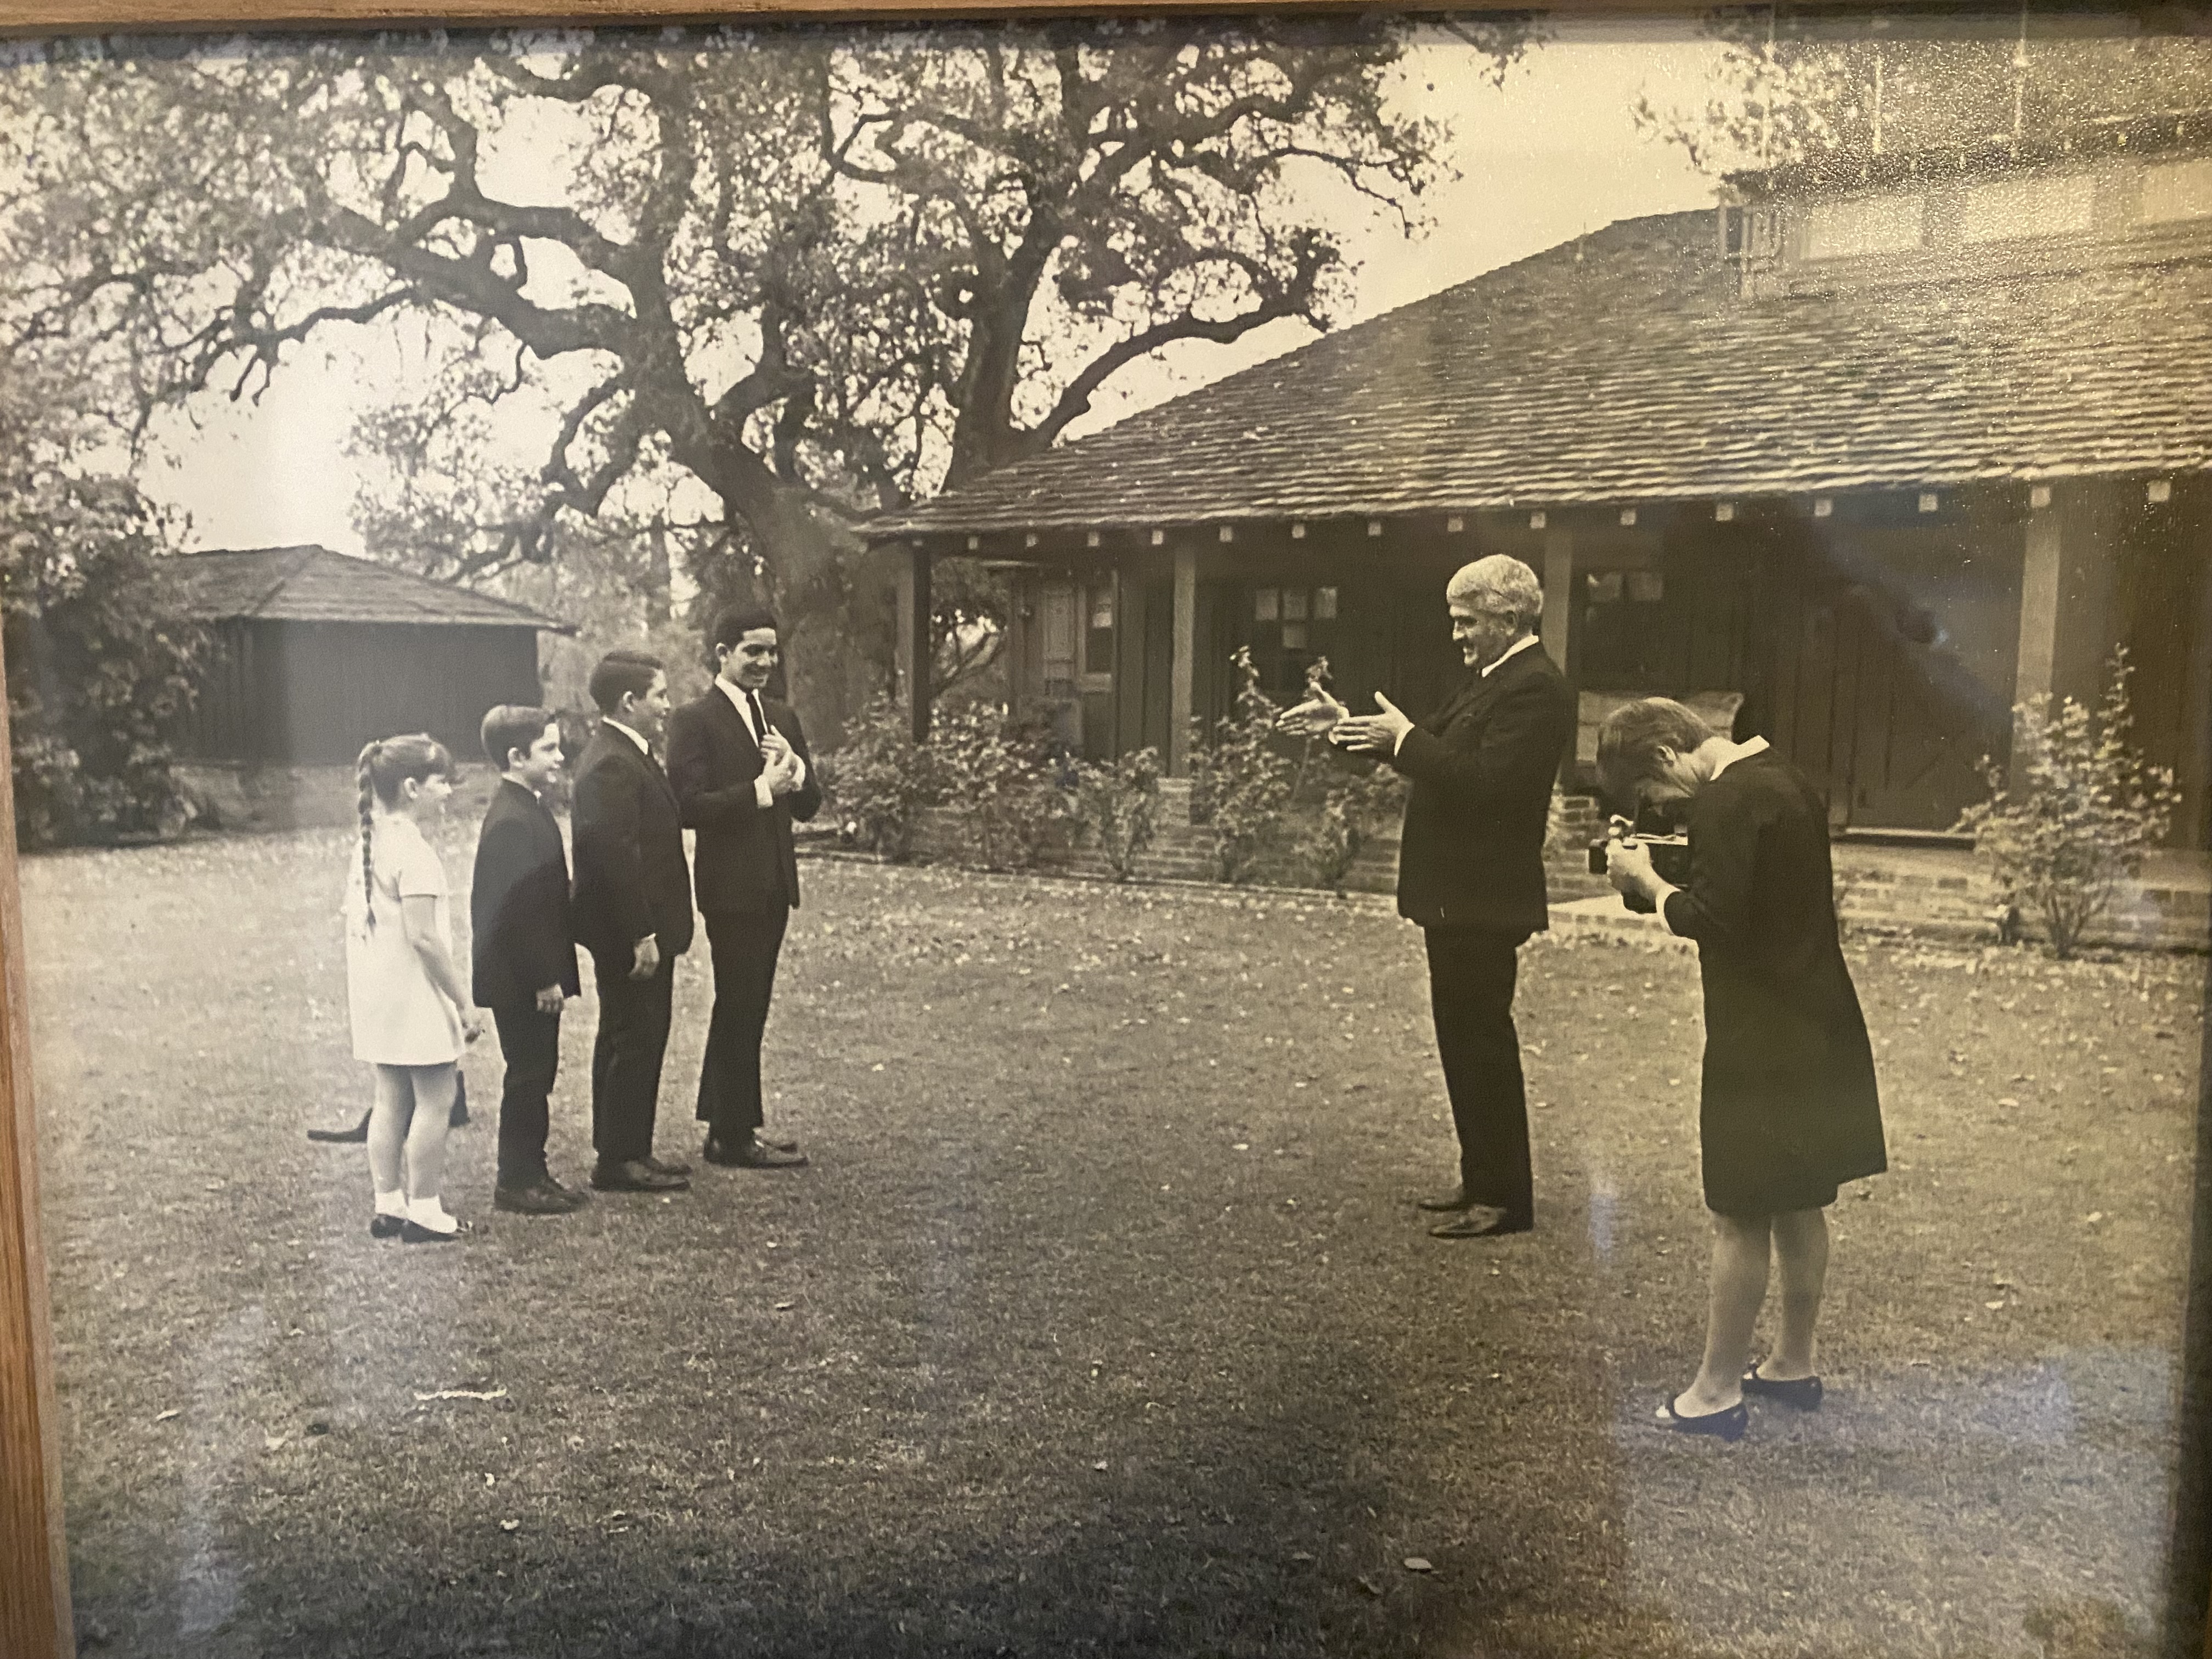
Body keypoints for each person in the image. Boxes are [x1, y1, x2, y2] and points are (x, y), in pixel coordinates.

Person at [1598, 697, 1887, 1441]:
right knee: (1799, 1200)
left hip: (1757, 1040)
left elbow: (1716, 921)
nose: (1665, 811)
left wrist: (1648, 882)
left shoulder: (1725, 801)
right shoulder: (1778, 777)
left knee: (1739, 1213)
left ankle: (1715, 1392)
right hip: (1817, 1021)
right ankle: (1792, 1365)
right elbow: (1749, 888)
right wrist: (1652, 877)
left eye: (1656, 798)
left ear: (1665, 757)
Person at [1279, 554, 1575, 1239]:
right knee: (1462, 1040)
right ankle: (1482, 1180)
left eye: (1467, 622)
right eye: (1455, 622)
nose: (1458, 636)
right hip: (1455, 897)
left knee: (1483, 1043)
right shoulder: (1491, 682)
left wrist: (1405, 737)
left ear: (1509, 618)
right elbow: (1431, 752)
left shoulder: (1536, 690)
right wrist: (1344, 725)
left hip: (1484, 899)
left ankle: (1505, 1198)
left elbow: (1484, 782)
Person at [665, 607, 822, 1169]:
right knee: (738, 1002)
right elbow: (687, 806)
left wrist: (794, 772)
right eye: (752, 651)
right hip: (730, 888)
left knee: (750, 1005)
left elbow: (808, 805)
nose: (764, 662)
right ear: (723, 654)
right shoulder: (694, 720)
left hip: (775, 884)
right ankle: (731, 1136)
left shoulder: (781, 716)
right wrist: (760, 789)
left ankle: (729, 1124)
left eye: (771, 652)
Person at [343, 733, 484, 1243]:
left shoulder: (369, 843)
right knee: (436, 1097)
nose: (448, 791)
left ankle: (388, 1203)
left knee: (391, 1096)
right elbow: (424, 938)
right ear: (410, 788)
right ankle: (424, 1208)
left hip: (380, 996)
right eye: (440, 781)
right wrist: (463, 1002)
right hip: (415, 995)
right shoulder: (415, 853)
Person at [571, 651, 694, 1194]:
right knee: (633, 1036)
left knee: (636, 1034)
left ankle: (630, 1148)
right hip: (630, 930)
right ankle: (618, 1159)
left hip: (640, 926)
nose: (667, 706)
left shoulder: (625, 753)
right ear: (630, 701)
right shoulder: (613, 763)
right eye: (660, 695)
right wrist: (641, 934)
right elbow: (614, 858)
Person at [471, 705, 586, 1216]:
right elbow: (518, 913)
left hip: (530, 970)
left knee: (539, 1070)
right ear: (516, 757)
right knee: (528, 1072)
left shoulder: (529, 807)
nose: (560, 757)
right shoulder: (512, 821)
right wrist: (545, 978)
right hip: (520, 977)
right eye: (549, 749)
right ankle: (516, 1179)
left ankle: (533, 1171)